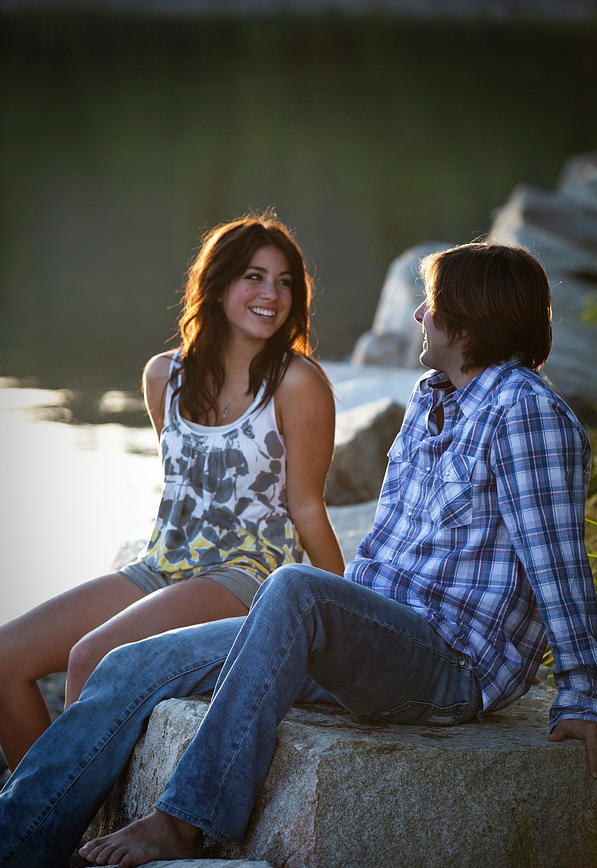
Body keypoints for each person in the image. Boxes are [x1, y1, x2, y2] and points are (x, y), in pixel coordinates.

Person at [1, 242, 597, 868]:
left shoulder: (527, 414)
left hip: (451, 666)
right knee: (130, 662)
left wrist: (585, 694)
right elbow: (385, 547)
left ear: (469, 322)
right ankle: (17, 848)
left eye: (433, 304)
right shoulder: (433, 400)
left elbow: (559, 567)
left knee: (294, 587)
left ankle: (185, 819)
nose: (419, 315)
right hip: (383, 640)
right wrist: (342, 624)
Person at [0, 213, 344, 772]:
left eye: (285, 282)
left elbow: (307, 506)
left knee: (92, 657)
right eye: (254, 277)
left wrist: (336, 619)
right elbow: (186, 487)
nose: (271, 294)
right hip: (163, 564)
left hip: (247, 573)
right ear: (218, 283)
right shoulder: (164, 376)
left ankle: (51, 823)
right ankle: (39, 814)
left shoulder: (297, 383)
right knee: (5, 658)